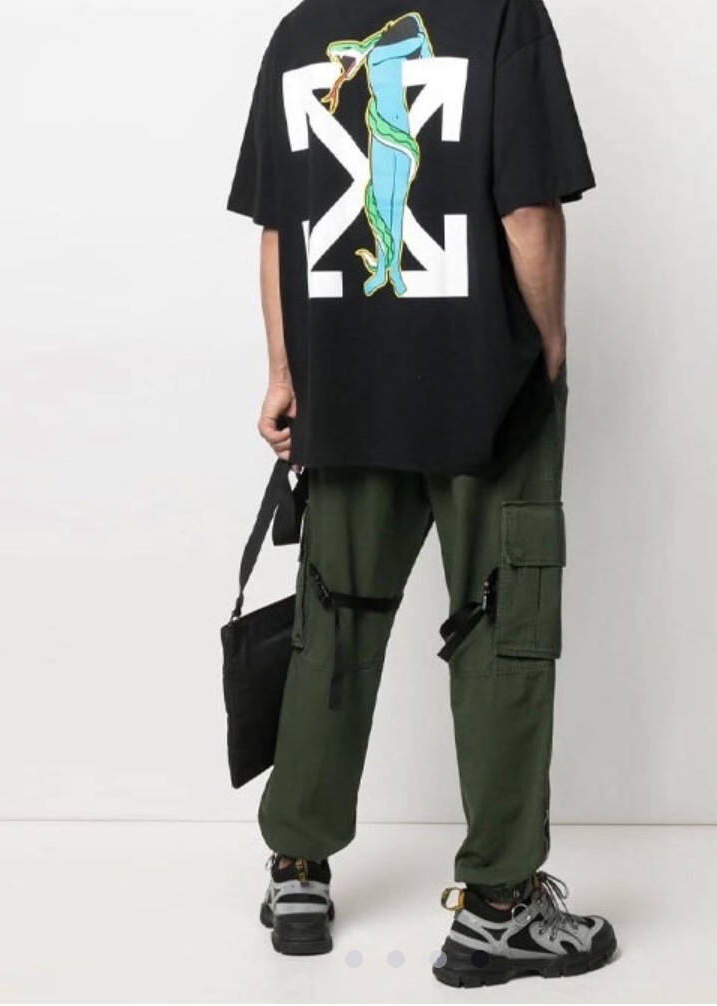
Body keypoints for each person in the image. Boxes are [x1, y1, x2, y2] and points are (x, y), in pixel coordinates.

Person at [227, 0, 616, 987]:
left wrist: (284, 374)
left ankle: (298, 868)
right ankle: (498, 907)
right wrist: (547, 351)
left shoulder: (298, 32)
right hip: (483, 388)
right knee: (503, 626)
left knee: (333, 618)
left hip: (342, 386)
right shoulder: (501, 16)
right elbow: (527, 209)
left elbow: (278, 227)